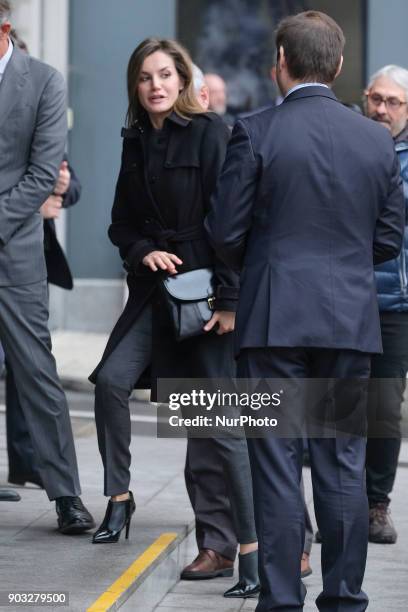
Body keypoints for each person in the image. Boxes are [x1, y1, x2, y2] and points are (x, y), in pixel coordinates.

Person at [206, 10, 404, 611]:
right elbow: (390, 238)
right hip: (349, 320)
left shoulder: (256, 130)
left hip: (273, 321)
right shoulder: (375, 138)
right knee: (342, 462)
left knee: (276, 462)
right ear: (340, 66)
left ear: (281, 65)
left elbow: (224, 231)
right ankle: (344, 598)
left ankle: (282, 599)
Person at [89, 37, 261, 597]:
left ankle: (252, 553)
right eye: (145, 77)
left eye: (165, 74)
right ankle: (119, 497)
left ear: (183, 80)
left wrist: (231, 302)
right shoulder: (134, 141)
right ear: (135, 87)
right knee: (111, 381)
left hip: (207, 298)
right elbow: (120, 224)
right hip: (152, 292)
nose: (156, 85)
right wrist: (143, 251)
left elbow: (235, 225)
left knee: (222, 426)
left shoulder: (214, 132)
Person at [0, 1, 94, 533]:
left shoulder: (43, 82)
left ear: (5, 30)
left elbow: (42, 176)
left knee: (36, 374)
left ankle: (66, 496)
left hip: (14, 251)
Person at [6, 157, 82, 489]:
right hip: (13, 252)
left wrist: (63, 190)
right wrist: (37, 208)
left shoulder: (40, 133)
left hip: (31, 265)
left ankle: (26, 463)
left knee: (27, 367)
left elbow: (74, 186)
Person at [364, 65, 408, 544]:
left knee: (383, 407)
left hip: (396, 302)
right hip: (347, 295)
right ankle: (339, 501)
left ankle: (377, 505)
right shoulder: (354, 141)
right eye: (376, 99)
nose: (382, 109)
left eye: (393, 102)